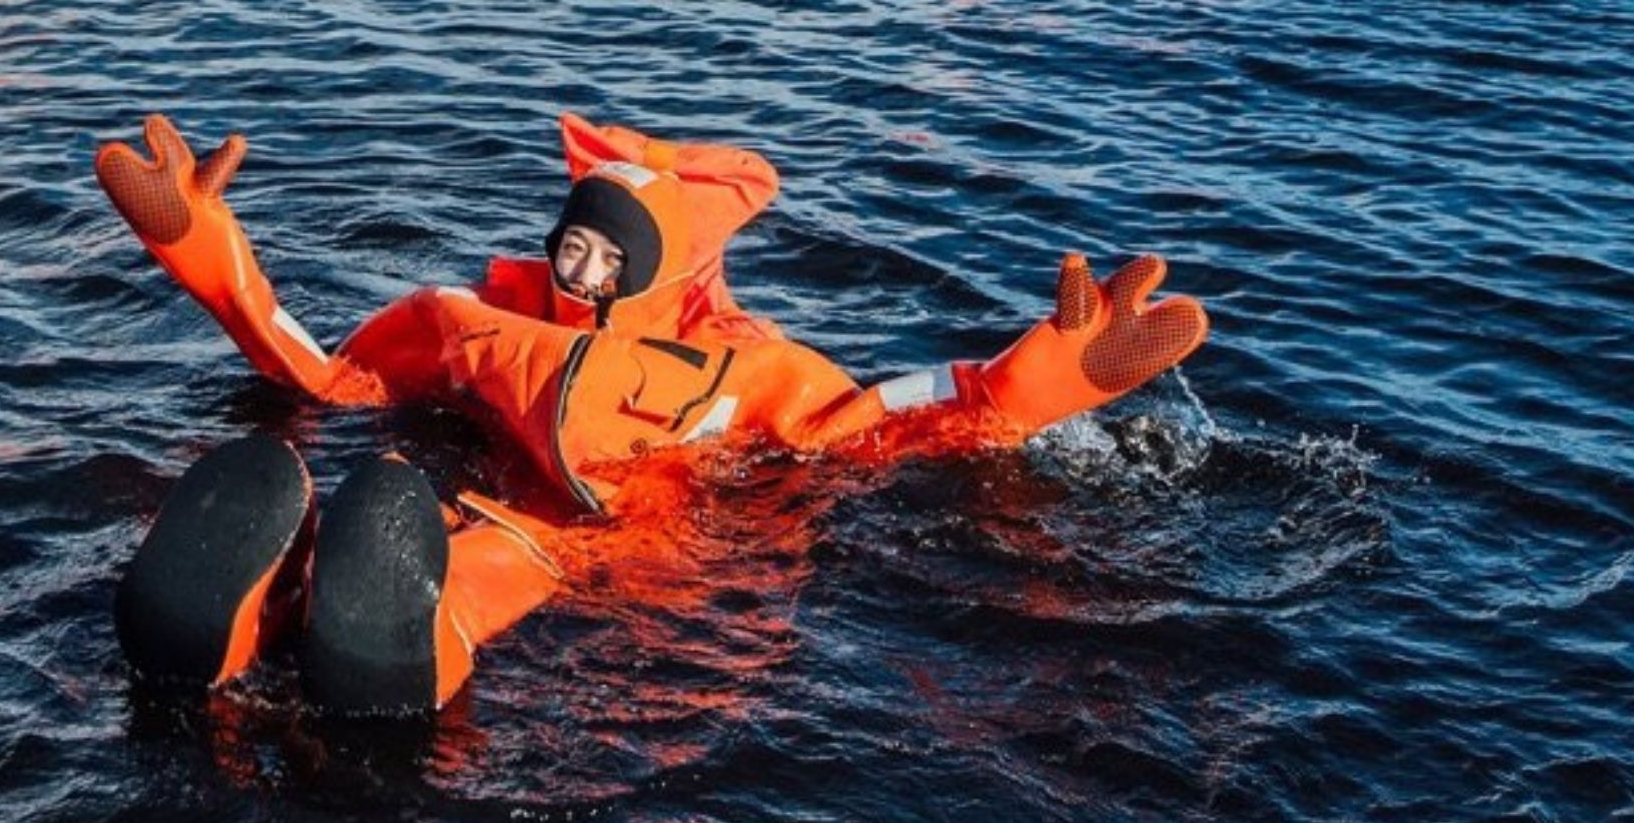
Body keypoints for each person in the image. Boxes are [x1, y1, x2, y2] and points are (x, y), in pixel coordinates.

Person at [99, 111, 1207, 715]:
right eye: (567, 242)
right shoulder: (479, 320)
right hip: (504, 484)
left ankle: (405, 651)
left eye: (603, 255)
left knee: (486, 568)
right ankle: (234, 616)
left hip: (632, 539)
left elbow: (876, 419)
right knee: (428, 525)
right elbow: (333, 377)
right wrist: (206, 255)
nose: (577, 266)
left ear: (655, 270)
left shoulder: (741, 366)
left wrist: (1037, 381)